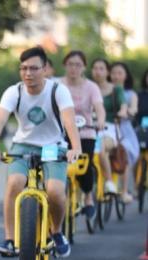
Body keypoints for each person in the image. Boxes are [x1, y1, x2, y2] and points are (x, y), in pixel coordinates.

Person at [0, 46, 82, 258]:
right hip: (23, 145)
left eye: (34, 68)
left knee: (55, 191)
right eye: (24, 68)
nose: (28, 73)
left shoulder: (58, 90)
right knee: (14, 184)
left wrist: (76, 147)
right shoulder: (14, 91)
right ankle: (10, 239)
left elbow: (68, 120)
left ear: (45, 69)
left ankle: (56, 232)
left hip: (52, 146)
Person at [60, 50, 106, 219]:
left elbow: (99, 108)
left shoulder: (91, 87)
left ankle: (87, 196)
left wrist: (100, 120)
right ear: (65, 65)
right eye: (70, 64)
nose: (73, 68)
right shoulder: (57, 84)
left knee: (84, 165)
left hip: (86, 132)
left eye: (78, 64)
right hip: (61, 133)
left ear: (84, 67)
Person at [91, 59, 130, 197]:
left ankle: (109, 182)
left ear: (107, 72)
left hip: (110, 128)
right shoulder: (88, 87)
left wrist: (123, 111)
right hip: (88, 127)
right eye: (95, 68)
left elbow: (123, 104)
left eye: (101, 68)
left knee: (100, 147)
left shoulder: (115, 89)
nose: (98, 71)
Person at [110, 62, 140, 202]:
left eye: (119, 73)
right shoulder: (105, 90)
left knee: (124, 154)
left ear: (125, 76)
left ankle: (124, 191)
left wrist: (128, 111)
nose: (116, 76)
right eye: (114, 72)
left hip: (124, 130)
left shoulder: (130, 94)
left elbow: (133, 109)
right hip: (108, 127)